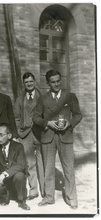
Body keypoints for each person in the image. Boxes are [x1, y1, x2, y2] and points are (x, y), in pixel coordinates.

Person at [33, 69, 82, 209]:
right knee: (48, 169)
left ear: (61, 80)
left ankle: (72, 199)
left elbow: (78, 115)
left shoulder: (70, 96)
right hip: (48, 137)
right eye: (53, 82)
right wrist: (46, 123)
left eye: (58, 81)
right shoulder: (43, 98)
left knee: (69, 168)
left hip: (65, 136)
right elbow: (36, 117)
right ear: (48, 83)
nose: (56, 84)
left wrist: (69, 123)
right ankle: (49, 198)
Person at [14, 72, 45, 200]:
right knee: (30, 163)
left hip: (40, 134)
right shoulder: (19, 99)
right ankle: (33, 191)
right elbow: (16, 117)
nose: (29, 84)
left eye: (31, 81)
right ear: (23, 84)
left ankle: (45, 190)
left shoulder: (42, 97)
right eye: (26, 82)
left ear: (35, 81)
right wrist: (18, 132)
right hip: (25, 134)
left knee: (42, 162)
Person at [0, 123, 30, 210]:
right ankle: (5, 197)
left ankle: (21, 201)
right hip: (1, 176)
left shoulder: (18, 146)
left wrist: (5, 174)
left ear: (9, 135)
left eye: (1, 135)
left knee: (20, 175)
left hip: (13, 174)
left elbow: (21, 165)